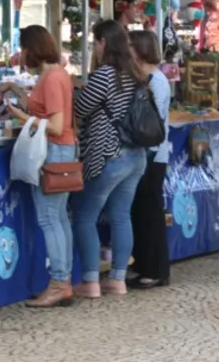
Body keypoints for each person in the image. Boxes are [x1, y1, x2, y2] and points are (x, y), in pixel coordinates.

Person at [0, 26, 77, 307]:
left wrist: (20, 115)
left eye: (23, 47)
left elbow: (55, 124)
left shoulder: (51, 78)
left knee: (49, 218)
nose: (21, 53)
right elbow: (40, 108)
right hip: (62, 149)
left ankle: (59, 282)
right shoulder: (55, 74)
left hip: (53, 150)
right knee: (59, 217)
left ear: (33, 48)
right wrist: (14, 89)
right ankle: (63, 281)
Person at [71, 20, 148, 298]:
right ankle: (117, 280)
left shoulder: (106, 74)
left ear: (103, 42)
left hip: (108, 155)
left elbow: (80, 108)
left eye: (95, 42)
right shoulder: (135, 73)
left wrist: (73, 89)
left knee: (84, 216)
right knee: (121, 216)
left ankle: (91, 281)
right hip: (135, 155)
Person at [126, 30, 172, 290]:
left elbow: (149, 120)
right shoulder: (148, 78)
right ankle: (144, 264)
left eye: (131, 46)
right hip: (150, 152)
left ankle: (155, 269)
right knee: (141, 211)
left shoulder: (154, 80)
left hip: (153, 154)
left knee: (150, 213)